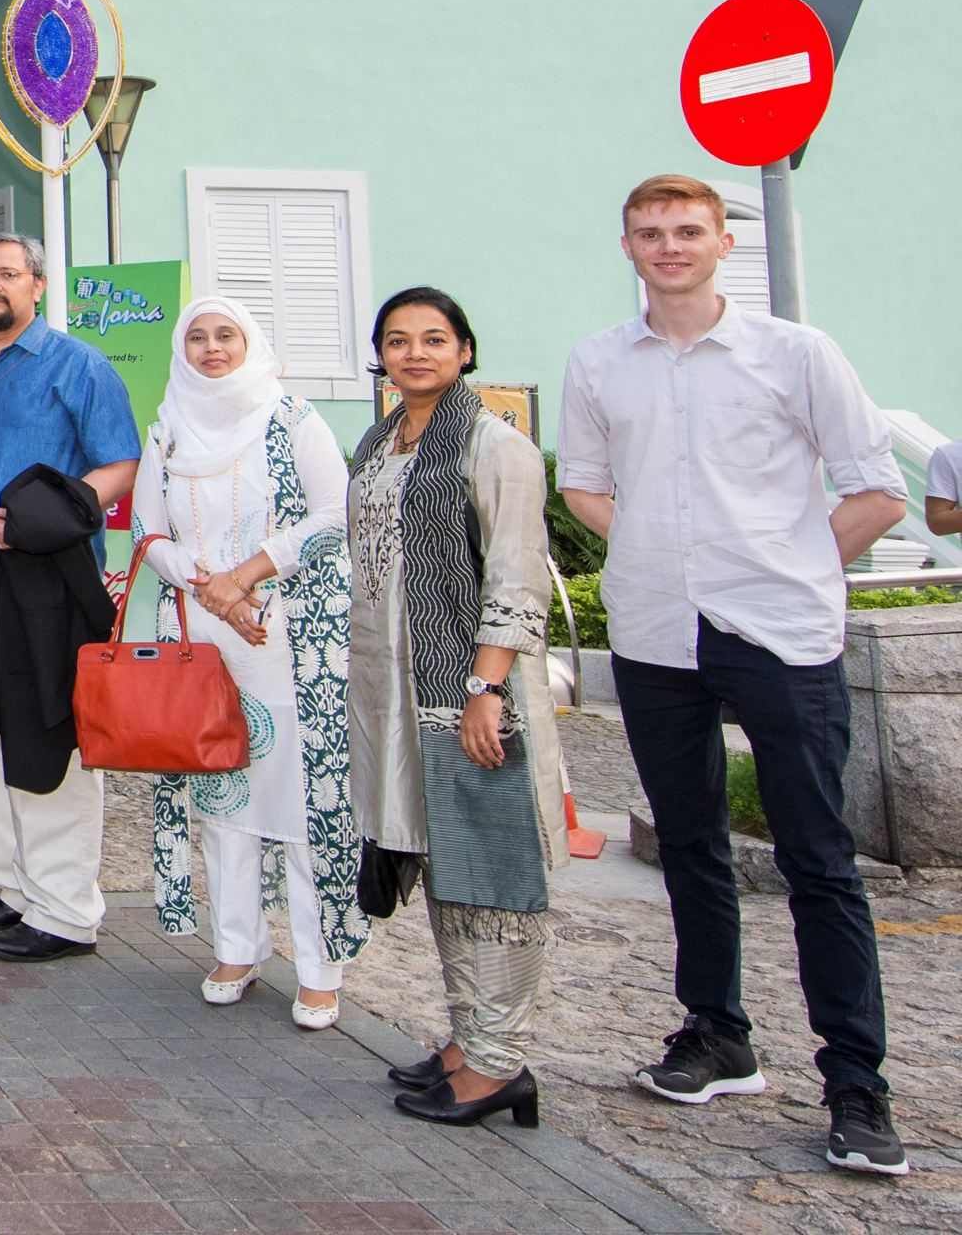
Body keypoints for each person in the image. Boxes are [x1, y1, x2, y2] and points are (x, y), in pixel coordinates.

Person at [560, 175, 908, 1177]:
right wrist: (656, 553)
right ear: (627, 247)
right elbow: (582, 484)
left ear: (723, 243)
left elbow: (878, 491)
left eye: (687, 231)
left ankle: (857, 1084)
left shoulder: (796, 354)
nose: (668, 246)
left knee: (818, 859)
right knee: (689, 847)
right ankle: (718, 1036)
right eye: (650, 233)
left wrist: (791, 568)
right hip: (658, 631)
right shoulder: (598, 361)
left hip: (779, 633)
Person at [351, 287, 561, 1131]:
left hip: (468, 695)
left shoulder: (495, 446)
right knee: (443, 869)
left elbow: (517, 576)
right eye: (398, 341)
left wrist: (485, 689)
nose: (416, 354)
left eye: (434, 339)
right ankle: (469, 1038)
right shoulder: (380, 442)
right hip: (397, 698)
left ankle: (499, 1061)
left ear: (465, 350)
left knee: (492, 872)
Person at [130, 297, 363, 1024]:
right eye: (197, 337)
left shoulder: (290, 417)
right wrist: (211, 587)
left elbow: (336, 513)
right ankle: (237, 947)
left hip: (290, 639)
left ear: (249, 342)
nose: (211, 348)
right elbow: (147, 531)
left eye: (225, 335)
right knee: (223, 799)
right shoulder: (167, 428)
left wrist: (247, 575)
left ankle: (319, 967)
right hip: (202, 639)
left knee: (299, 799)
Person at [0, 235, 138, 962]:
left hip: (42, 589)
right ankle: (16, 886)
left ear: (38, 285)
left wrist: (45, 518)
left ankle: (66, 911)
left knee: (48, 746)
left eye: (9, 274)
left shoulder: (80, 366)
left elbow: (120, 463)